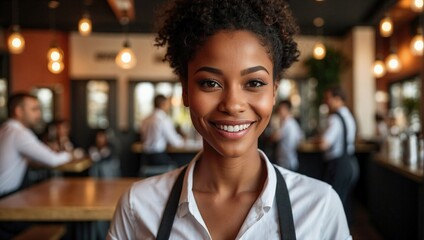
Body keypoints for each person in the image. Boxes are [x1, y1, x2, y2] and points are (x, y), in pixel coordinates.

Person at [108, 0, 351, 239]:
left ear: (274, 91)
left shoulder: (320, 208)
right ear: (185, 90)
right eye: (210, 83)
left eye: (254, 83)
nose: (233, 105)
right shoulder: (137, 208)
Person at [0, 92, 72, 238]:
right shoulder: (19, 133)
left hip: (9, 199)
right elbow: (53, 160)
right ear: (19, 111)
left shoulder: (6, 129)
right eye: (34, 109)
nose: (38, 114)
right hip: (5, 204)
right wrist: (70, 154)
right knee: (54, 223)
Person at [319, 86, 359, 224]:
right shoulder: (349, 115)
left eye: (328, 98)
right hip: (351, 163)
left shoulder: (335, 119)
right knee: (344, 201)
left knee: (334, 202)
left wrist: (318, 138)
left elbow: (324, 143)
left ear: (337, 99)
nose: (326, 102)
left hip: (338, 165)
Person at [139, 94, 185, 167]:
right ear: (163, 104)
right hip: (158, 157)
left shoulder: (145, 119)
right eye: (167, 104)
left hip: (144, 158)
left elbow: (142, 137)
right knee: (177, 166)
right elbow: (175, 142)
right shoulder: (164, 119)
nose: (168, 106)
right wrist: (183, 140)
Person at [271, 100, 304, 171]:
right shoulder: (293, 122)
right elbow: (300, 138)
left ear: (286, 109)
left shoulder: (287, 123)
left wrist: (276, 124)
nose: (279, 111)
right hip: (289, 160)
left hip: (286, 161)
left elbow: (274, 137)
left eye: (281, 109)